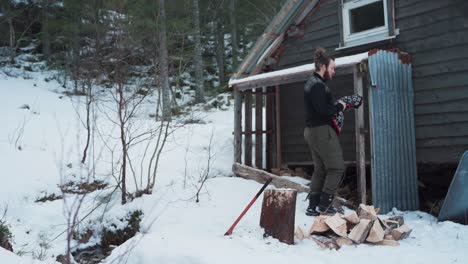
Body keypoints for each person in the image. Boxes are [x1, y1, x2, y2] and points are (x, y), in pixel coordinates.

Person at [303, 47, 346, 216]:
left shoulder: (311, 83)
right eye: (332, 68)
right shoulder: (318, 86)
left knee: (320, 169)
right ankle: (324, 205)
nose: (333, 71)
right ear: (322, 66)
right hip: (321, 131)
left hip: (311, 131)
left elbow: (320, 108)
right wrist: (341, 106)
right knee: (336, 168)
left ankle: (312, 206)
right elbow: (324, 110)